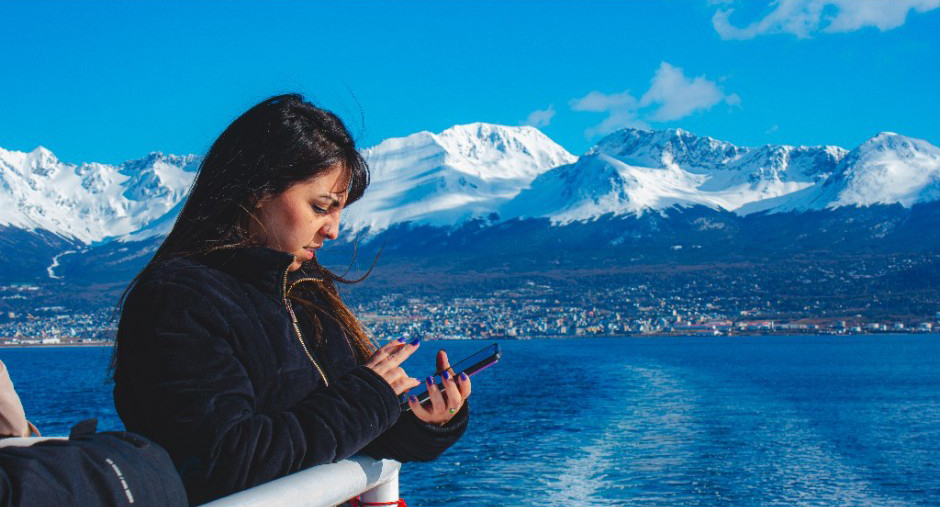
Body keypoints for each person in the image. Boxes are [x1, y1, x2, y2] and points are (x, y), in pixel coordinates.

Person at [112, 94, 471, 505]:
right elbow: (223, 462)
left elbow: (350, 435)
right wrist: (367, 397)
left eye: (339, 211)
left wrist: (429, 419)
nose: (333, 230)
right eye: (321, 207)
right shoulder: (179, 300)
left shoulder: (308, 290)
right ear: (257, 191)